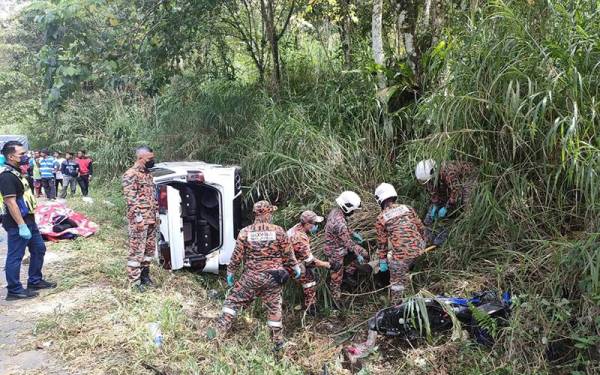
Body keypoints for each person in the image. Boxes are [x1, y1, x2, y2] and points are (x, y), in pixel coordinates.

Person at [214, 201, 301, 351]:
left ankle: (218, 333)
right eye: (270, 212)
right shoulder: (279, 231)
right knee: (274, 309)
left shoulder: (245, 232)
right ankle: (278, 343)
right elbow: (288, 253)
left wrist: (231, 272)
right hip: (274, 277)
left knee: (233, 301)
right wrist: (295, 266)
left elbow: (237, 256)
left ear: (255, 214)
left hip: (251, 277)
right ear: (268, 213)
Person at [0, 141, 56, 300]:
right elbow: (10, 202)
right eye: (21, 154)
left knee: (39, 249)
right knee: (15, 256)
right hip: (18, 223)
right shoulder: (6, 176)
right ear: (11, 156)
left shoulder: (18, 173)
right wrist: (21, 225)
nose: (25, 157)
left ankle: (35, 280)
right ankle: (14, 290)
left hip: (29, 221)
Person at [373, 183, 425, 304]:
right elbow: (421, 228)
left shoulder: (381, 217)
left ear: (380, 200)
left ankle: (398, 306)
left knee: (397, 285)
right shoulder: (407, 208)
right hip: (420, 249)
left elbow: (382, 244)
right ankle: (413, 287)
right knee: (406, 263)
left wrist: (383, 262)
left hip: (403, 257)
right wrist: (423, 244)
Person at [324, 191, 369, 308]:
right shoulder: (340, 223)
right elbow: (349, 244)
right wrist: (360, 252)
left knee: (359, 256)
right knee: (336, 278)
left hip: (339, 245)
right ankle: (336, 302)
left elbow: (345, 233)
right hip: (335, 252)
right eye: (353, 210)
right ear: (347, 207)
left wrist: (353, 233)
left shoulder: (336, 212)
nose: (353, 213)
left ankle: (348, 274)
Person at [122, 146, 157, 292]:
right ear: (140, 158)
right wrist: (138, 219)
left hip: (151, 219)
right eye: (149, 159)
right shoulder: (130, 174)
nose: (152, 161)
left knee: (149, 250)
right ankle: (134, 282)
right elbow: (131, 199)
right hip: (139, 220)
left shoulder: (148, 174)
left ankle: (145, 276)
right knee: (136, 252)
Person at [287, 210, 334, 316]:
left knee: (309, 271)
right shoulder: (299, 237)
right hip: (290, 265)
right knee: (310, 280)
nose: (316, 226)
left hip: (289, 259)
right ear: (307, 224)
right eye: (314, 224)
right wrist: (326, 264)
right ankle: (311, 307)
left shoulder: (297, 227)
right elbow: (310, 261)